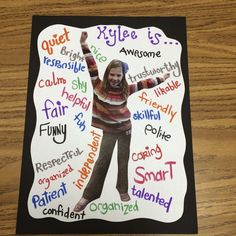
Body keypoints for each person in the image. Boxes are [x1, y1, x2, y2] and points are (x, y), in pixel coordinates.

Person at [74, 31, 170, 212]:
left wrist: (162, 79)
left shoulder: (126, 89)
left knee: (123, 160)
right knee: (103, 161)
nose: (115, 78)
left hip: (126, 129)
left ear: (122, 76)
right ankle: (89, 195)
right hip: (109, 131)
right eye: (112, 75)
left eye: (119, 75)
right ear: (107, 73)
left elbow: (145, 84)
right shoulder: (98, 85)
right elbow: (91, 63)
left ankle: (122, 189)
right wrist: (84, 43)